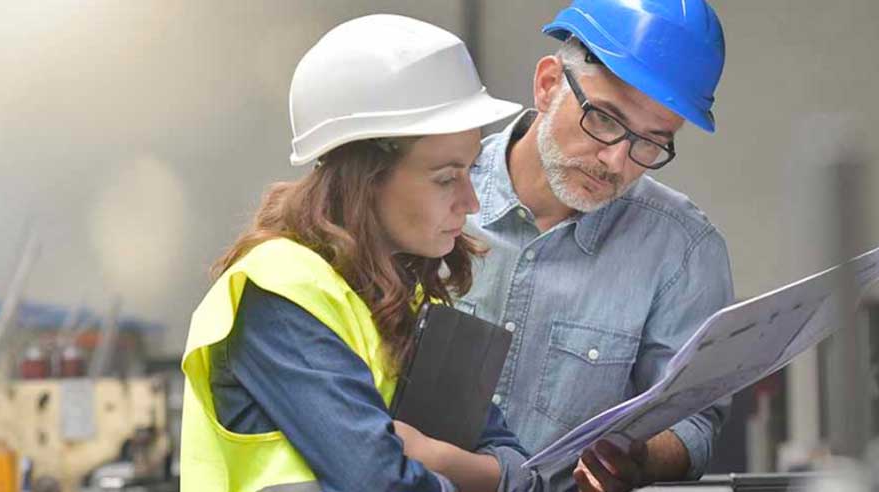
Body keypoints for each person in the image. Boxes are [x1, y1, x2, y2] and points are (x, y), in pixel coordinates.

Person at [178, 14, 529, 492]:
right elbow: (384, 483)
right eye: (447, 177)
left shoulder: (398, 296)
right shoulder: (279, 294)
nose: (470, 203)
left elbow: (521, 467)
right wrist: (477, 475)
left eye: (470, 171)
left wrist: (438, 459)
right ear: (365, 180)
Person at [458, 0, 734, 490]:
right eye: (604, 119)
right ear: (547, 86)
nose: (616, 161)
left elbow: (693, 424)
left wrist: (641, 458)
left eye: (650, 142)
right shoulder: (434, 194)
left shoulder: (683, 250)